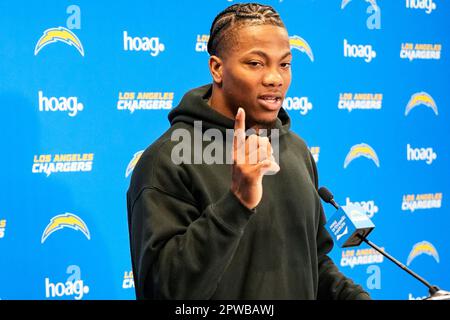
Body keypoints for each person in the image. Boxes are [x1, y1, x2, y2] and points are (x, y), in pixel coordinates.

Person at [127, 2, 371, 300]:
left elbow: (313, 264)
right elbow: (164, 290)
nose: (275, 78)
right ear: (217, 68)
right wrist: (237, 203)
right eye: (256, 63)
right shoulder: (167, 160)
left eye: (284, 64)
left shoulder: (295, 149)